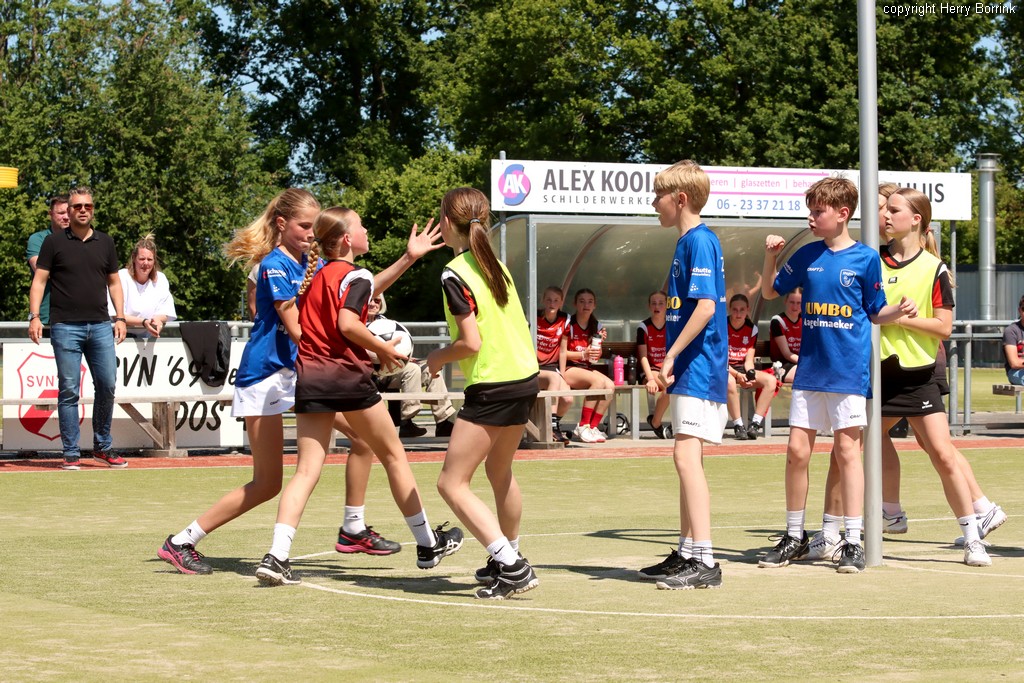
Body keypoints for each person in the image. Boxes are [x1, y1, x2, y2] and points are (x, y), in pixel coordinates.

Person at [255, 207, 464, 586]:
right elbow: (348, 322)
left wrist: (408, 258)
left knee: (306, 471)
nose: (367, 229)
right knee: (394, 456)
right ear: (348, 239)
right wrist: (382, 349)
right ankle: (427, 544)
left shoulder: (317, 276)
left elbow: (364, 289)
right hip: (346, 378)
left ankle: (277, 556)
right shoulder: (355, 275)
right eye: (362, 225)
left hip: (311, 378)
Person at [158, 188, 322, 574]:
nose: (312, 233)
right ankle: (181, 541)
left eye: (315, 226)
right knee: (267, 483)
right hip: (265, 376)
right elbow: (296, 328)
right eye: (304, 225)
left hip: (291, 373)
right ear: (281, 223)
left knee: (366, 434)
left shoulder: (309, 262)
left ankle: (357, 527)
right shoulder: (275, 265)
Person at [757, 176, 915, 574]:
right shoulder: (807, 254)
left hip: (847, 372)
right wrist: (771, 256)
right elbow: (772, 291)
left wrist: (898, 311)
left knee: (847, 453)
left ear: (843, 214)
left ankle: (852, 541)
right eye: (810, 211)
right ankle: (794, 535)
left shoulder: (865, 258)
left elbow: (876, 311)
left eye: (818, 211)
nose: (811, 218)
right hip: (810, 372)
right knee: (797, 452)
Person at [428, 187, 541, 599]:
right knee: (499, 471)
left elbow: (470, 343)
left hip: (493, 384)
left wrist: (436, 358)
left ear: (446, 223)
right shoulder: (496, 265)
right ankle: (509, 554)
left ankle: (511, 566)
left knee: (451, 483)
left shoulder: (453, 272)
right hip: (524, 378)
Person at [637, 160, 727, 590]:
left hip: (699, 365)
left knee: (686, 457)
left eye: (659, 195)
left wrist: (670, 356)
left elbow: (706, 307)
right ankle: (688, 551)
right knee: (687, 458)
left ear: (681, 198)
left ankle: (705, 559)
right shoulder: (687, 242)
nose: (654, 202)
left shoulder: (700, 241)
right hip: (692, 366)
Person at [28, 186, 129, 470]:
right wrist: (34, 316)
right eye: (77, 206)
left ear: (92, 209)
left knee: (107, 385)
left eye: (88, 206)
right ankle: (71, 452)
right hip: (65, 327)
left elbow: (114, 283)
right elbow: (39, 281)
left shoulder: (105, 242)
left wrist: (120, 317)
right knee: (69, 390)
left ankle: (102, 446)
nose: (83, 210)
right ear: (69, 211)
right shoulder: (53, 242)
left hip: (101, 326)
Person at [367, 292, 456, 438]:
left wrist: (406, 358)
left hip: (393, 368)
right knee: (412, 370)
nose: (373, 304)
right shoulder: (356, 323)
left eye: (377, 300)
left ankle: (443, 421)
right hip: (372, 373)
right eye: (369, 300)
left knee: (431, 368)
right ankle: (406, 421)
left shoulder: (385, 322)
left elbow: (399, 347)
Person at [560, 288, 615, 443]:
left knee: (610, 386)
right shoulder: (569, 324)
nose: (586, 305)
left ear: (594, 305)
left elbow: (595, 356)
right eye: (582, 301)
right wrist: (583, 354)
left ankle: (592, 427)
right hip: (569, 368)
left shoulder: (596, 326)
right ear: (575, 304)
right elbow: (561, 353)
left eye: (590, 302)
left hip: (585, 368)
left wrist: (597, 347)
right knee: (598, 382)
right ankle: (583, 425)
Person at [725, 293, 777, 440]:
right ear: (729, 309)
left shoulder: (752, 329)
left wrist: (750, 374)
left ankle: (755, 424)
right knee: (729, 382)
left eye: (742, 309)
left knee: (771, 381)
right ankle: (738, 425)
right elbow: (721, 360)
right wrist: (737, 375)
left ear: (748, 309)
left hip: (741, 369)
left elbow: (748, 360)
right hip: (725, 368)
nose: (738, 313)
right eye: (735, 310)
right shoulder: (722, 326)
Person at [108, 233, 177, 337]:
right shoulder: (121, 277)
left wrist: (157, 319)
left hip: (148, 337)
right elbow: (116, 315)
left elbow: (166, 311)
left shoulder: (161, 279)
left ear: (154, 261)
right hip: (121, 336)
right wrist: (144, 322)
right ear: (134, 258)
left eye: (149, 259)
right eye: (142, 259)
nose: (146, 263)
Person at [536, 286, 573, 444]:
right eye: (549, 300)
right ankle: (550, 428)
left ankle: (554, 423)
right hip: (535, 369)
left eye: (556, 300)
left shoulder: (565, 319)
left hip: (553, 368)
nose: (552, 303)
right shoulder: (534, 317)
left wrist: (562, 375)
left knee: (568, 398)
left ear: (561, 302)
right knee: (553, 378)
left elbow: (563, 351)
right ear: (543, 300)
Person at [26, 195, 70, 327]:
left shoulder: (83, 239)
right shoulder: (38, 239)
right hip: (46, 319)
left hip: (80, 317)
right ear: (50, 214)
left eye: (69, 212)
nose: (66, 217)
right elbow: (42, 270)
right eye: (61, 213)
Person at [638, 290, 671, 439]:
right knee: (671, 388)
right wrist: (650, 378)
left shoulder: (672, 325)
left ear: (667, 305)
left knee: (684, 386)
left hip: (667, 370)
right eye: (654, 303)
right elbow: (643, 357)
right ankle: (656, 422)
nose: (657, 307)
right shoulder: (643, 327)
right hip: (651, 370)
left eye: (661, 303)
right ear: (649, 306)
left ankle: (680, 424)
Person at [768, 288, 802, 385]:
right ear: (785, 301)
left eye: (799, 303)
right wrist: (806, 364)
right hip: (782, 364)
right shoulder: (777, 321)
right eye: (792, 302)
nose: (795, 306)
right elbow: (787, 354)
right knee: (805, 374)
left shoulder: (805, 321)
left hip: (800, 363)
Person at [1002, 295, 1024, 385]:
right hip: (1016, 371)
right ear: (1019, 310)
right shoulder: (1011, 331)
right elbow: (1014, 363)